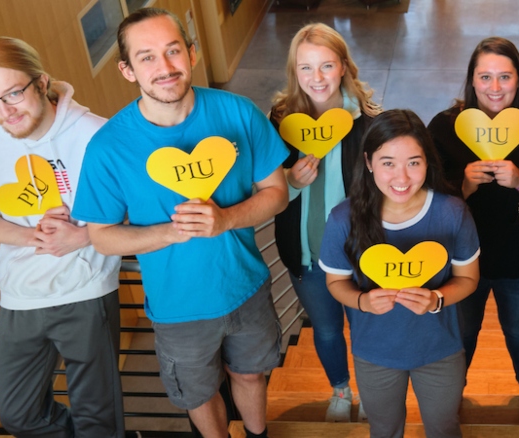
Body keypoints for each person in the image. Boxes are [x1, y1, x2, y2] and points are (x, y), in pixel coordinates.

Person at [71, 8, 289, 438]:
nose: (165, 67)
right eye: (147, 57)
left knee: (250, 375)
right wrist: (175, 231)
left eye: (173, 51)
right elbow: (102, 237)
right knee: (198, 393)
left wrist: (225, 219)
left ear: (191, 53)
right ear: (127, 70)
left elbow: (276, 194)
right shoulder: (108, 147)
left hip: (246, 288)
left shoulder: (239, 113)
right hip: (177, 309)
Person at [0, 37, 124, 437]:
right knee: (19, 416)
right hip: (19, 296)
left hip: (86, 291)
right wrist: (31, 236)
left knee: (98, 419)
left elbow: (138, 206)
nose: (4, 112)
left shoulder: (97, 135)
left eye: (12, 93)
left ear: (41, 82)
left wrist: (81, 238)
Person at [320, 109, 480, 438]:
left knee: (444, 428)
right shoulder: (342, 219)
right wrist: (362, 301)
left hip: (441, 350)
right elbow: (335, 282)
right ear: (368, 163)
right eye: (388, 162)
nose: (402, 177)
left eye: (414, 162)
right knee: (384, 430)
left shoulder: (452, 213)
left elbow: (469, 278)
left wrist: (437, 299)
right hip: (374, 352)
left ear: (428, 162)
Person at [426, 36, 519, 423]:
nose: (495, 88)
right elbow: (427, 201)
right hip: (464, 258)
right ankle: (453, 392)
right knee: (463, 331)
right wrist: (463, 185)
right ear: (471, 79)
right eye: (485, 77)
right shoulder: (446, 127)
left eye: (504, 77)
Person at [269, 22, 382, 423]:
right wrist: (291, 182)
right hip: (307, 255)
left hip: (360, 256)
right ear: (294, 73)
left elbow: (388, 189)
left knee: (366, 327)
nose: (317, 78)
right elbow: (266, 189)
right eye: (306, 68)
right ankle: (340, 389)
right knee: (327, 330)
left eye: (327, 66)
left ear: (344, 68)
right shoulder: (280, 122)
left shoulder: (369, 122)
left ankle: (371, 391)